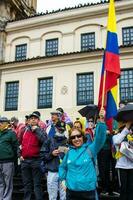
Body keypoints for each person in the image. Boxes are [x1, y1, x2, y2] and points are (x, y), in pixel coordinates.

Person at [59, 111, 106, 200]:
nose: (76, 139)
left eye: (78, 136)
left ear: (82, 136)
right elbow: (62, 167)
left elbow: (99, 139)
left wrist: (101, 121)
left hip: (88, 193)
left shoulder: (90, 149)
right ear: (70, 140)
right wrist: (63, 180)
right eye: (73, 137)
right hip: (71, 193)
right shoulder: (69, 153)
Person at [20, 112, 47, 200]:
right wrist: (19, 155)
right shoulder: (24, 131)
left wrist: (37, 130)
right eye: (31, 118)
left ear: (38, 120)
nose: (33, 120)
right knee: (26, 184)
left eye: (35, 118)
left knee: (37, 184)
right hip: (25, 161)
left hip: (36, 160)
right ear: (29, 120)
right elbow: (19, 144)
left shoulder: (41, 131)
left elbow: (45, 141)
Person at [41, 121, 68, 200]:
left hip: (64, 172)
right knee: (52, 196)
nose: (61, 131)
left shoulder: (68, 141)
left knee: (64, 196)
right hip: (52, 171)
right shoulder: (49, 140)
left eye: (62, 130)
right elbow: (42, 156)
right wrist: (51, 154)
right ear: (55, 129)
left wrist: (67, 153)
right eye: (59, 129)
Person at [113, 121, 133, 200]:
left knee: (131, 188)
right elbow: (116, 142)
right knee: (123, 188)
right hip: (122, 166)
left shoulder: (130, 135)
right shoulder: (117, 136)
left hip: (132, 166)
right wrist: (126, 128)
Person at [0, 117, 19, 200]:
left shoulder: (11, 133)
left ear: (6, 124)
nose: (0, 124)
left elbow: (16, 147)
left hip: (8, 162)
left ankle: (7, 198)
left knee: (8, 183)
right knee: (0, 182)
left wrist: (15, 161)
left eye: (1, 122)